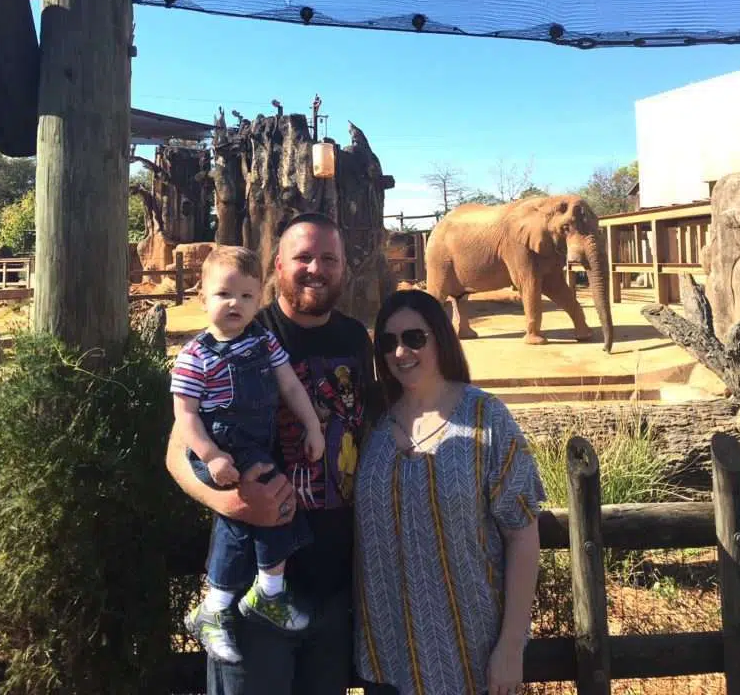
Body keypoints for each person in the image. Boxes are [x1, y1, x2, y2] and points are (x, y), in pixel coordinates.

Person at [166, 214, 377, 695]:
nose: (315, 269)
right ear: (277, 266)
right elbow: (177, 452)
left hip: (334, 587)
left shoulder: (354, 339)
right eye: (303, 257)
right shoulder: (238, 332)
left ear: (345, 267)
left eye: (328, 259)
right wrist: (228, 502)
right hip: (253, 596)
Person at [355, 288, 545, 695]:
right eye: (388, 343)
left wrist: (511, 645)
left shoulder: (485, 417)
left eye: (414, 338)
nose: (400, 352)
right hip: (385, 656)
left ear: (440, 337)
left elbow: (522, 534)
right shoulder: (370, 423)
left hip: (471, 654)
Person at [170, 246, 326, 660]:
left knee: (277, 507)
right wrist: (210, 455)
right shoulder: (194, 356)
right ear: (202, 298)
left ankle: (264, 592)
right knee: (241, 519)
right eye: (224, 295)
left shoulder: (264, 342)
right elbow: (185, 417)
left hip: (255, 448)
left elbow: (291, 387)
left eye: (246, 297)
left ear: (259, 299)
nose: (235, 305)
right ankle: (220, 605)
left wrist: (313, 425)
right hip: (218, 450)